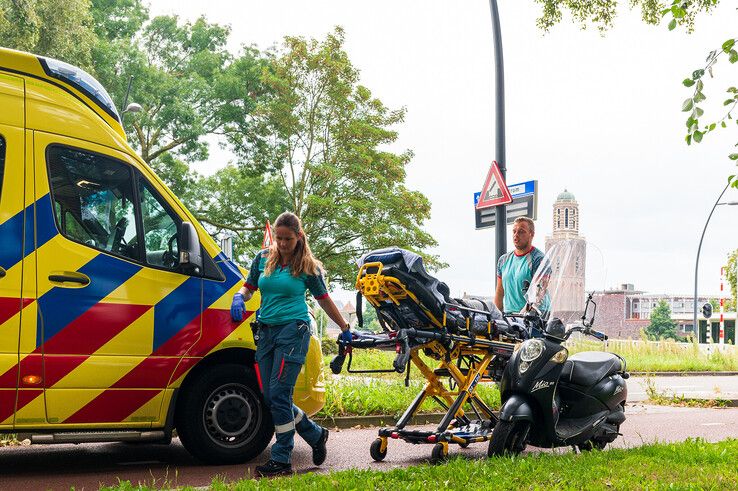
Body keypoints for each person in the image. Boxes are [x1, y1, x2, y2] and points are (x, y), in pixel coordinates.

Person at [230, 211, 351, 477]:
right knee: (271, 395)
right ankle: (316, 434)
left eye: (287, 239)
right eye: (278, 238)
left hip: (293, 331)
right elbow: (249, 286)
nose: (282, 244)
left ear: (298, 237)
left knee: (279, 394)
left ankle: (282, 458)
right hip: (266, 332)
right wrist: (240, 296)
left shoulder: (308, 267)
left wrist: (344, 326)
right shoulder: (262, 258)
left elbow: (324, 300)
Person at [494, 217, 546, 314]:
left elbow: (540, 292)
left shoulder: (539, 259)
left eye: (521, 232)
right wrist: (495, 315)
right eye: (514, 231)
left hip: (535, 315)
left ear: (532, 234)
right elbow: (500, 293)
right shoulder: (503, 260)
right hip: (510, 316)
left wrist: (524, 313)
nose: (516, 235)